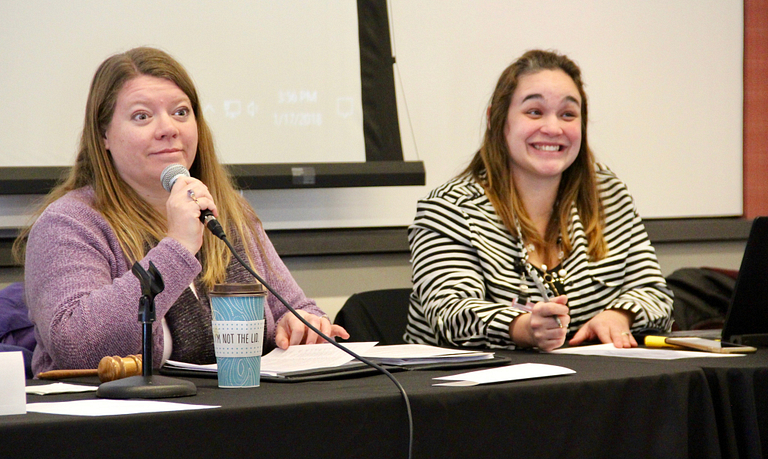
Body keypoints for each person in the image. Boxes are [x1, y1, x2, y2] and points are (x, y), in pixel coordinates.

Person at [14, 47, 348, 375]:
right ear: (103, 136)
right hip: (120, 422)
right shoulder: (68, 224)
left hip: (239, 412)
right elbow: (78, 346)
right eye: (142, 116)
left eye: (181, 112)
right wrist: (177, 247)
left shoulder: (229, 214)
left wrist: (300, 326)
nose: (169, 128)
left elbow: (297, 308)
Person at [405, 49, 673, 352]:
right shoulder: (449, 209)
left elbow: (655, 293)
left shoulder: (608, 195)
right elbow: (449, 313)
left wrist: (619, 315)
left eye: (568, 114)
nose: (553, 128)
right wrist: (522, 328)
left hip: (589, 386)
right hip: (467, 393)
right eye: (534, 112)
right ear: (497, 119)